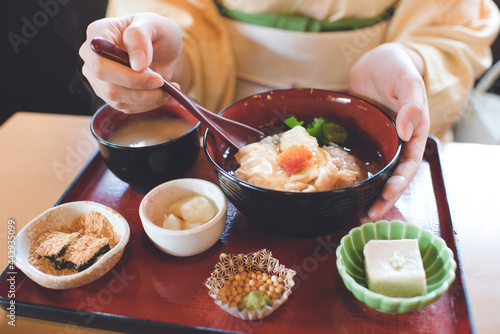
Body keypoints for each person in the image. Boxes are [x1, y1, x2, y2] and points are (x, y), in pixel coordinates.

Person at [79, 0, 500, 222]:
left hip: (381, 124)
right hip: (226, 129)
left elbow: (452, 30)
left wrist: (413, 64)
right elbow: (176, 16)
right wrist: (164, 61)